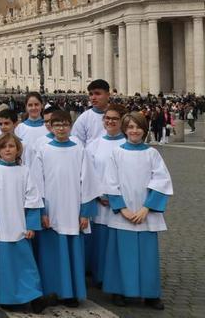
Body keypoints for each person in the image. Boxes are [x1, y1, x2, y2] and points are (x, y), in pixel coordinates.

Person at [102, 112, 173, 310]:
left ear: (144, 129)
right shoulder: (116, 153)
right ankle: (120, 291)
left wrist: (146, 208)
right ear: (125, 130)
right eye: (130, 127)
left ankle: (151, 294)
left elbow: (161, 182)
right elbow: (110, 181)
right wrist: (122, 208)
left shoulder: (152, 154)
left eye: (138, 127)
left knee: (147, 256)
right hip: (123, 214)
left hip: (145, 214)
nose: (134, 131)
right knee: (121, 254)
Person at [30, 109, 100, 307]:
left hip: (73, 210)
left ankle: (71, 293)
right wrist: (41, 212)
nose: (61, 128)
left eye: (65, 124)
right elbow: (37, 183)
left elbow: (88, 183)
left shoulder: (79, 150)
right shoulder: (43, 151)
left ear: (70, 126)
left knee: (72, 253)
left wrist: (85, 212)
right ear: (51, 127)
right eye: (57, 124)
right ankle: (52, 291)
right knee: (51, 254)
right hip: (51, 211)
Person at [0, 133, 49, 314]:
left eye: (11, 146)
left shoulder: (25, 171)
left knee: (25, 264)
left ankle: (34, 296)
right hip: (0, 228)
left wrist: (31, 225)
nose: (8, 149)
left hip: (20, 226)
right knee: (3, 266)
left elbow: (32, 199)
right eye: (4, 146)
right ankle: (7, 298)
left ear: (18, 150)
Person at [83, 103, 127, 287]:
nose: (110, 121)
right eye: (107, 118)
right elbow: (88, 173)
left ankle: (118, 277)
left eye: (114, 119)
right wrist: (100, 194)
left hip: (123, 202)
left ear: (122, 121)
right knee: (101, 242)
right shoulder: (94, 145)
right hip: (100, 201)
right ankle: (100, 275)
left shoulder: (128, 143)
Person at [71, 79, 110, 147]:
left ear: (108, 95)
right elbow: (76, 143)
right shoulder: (83, 118)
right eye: (91, 94)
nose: (93, 98)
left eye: (97, 94)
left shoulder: (120, 115)